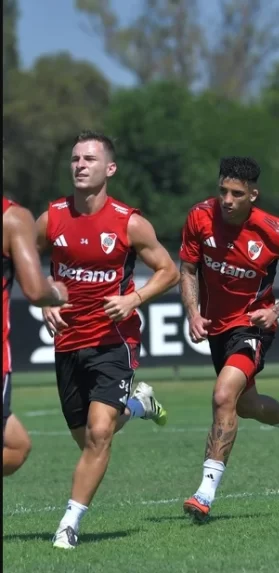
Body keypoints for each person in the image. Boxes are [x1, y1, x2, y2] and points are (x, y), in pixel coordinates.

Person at [36, 131, 180, 548]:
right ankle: (139, 405)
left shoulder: (128, 222)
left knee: (100, 434)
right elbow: (22, 257)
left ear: (109, 169)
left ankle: (69, 525)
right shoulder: (52, 217)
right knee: (87, 440)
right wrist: (44, 297)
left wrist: (134, 298)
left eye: (90, 159)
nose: (80, 165)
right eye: (75, 159)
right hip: (68, 342)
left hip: (115, 339)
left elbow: (169, 271)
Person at [179, 156, 279, 523]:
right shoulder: (199, 217)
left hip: (252, 326)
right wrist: (193, 312)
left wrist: (278, 309)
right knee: (246, 404)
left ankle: (205, 493)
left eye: (237, 194)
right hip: (216, 328)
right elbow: (188, 269)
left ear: (253, 195)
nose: (227, 200)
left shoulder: (275, 231)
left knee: (222, 395)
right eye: (223, 191)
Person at [3, 196, 69, 477]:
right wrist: (56, 293)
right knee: (15, 446)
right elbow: (34, 290)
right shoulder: (12, 217)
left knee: (17, 444)